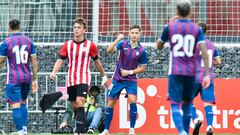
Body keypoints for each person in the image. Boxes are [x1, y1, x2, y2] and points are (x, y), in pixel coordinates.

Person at [156, 0, 210, 135]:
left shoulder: (170, 27)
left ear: (177, 12)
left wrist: (166, 27)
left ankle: (182, 131)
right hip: (191, 73)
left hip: (175, 71)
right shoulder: (197, 29)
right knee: (187, 104)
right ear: (190, 12)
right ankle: (185, 131)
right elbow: (204, 51)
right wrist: (208, 74)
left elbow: (159, 46)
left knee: (175, 104)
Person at [49, 17, 108, 135]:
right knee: (74, 105)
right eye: (75, 27)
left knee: (80, 102)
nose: (76, 29)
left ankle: (79, 132)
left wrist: (104, 76)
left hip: (84, 78)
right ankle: (80, 129)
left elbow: (97, 61)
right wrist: (54, 72)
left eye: (79, 27)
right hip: (71, 79)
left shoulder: (90, 45)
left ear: (84, 30)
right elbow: (60, 60)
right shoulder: (67, 44)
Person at [99, 24, 148, 135]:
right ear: (129, 33)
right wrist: (117, 39)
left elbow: (143, 68)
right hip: (117, 79)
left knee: (132, 99)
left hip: (131, 80)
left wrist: (129, 72)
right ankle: (106, 130)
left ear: (139, 34)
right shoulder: (123, 44)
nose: (134, 35)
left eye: (136, 33)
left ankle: (131, 130)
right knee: (110, 102)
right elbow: (109, 50)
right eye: (132, 32)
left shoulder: (142, 51)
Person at [0, 18, 38, 135]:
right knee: (22, 102)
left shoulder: (6, 42)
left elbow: (0, 61)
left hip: (13, 78)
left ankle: (21, 132)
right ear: (19, 27)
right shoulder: (29, 41)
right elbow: (34, 61)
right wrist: (35, 79)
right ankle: (24, 129)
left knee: (15, 104)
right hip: (26, 77)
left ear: (9, 27)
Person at [191, 22, 221, 135]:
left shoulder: (192, 45)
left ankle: (196, 119)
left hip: (194, 78)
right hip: (208, 78)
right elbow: (218, 61)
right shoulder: (211, 45)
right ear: (205, 31)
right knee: (208, 104)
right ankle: (209, 127)